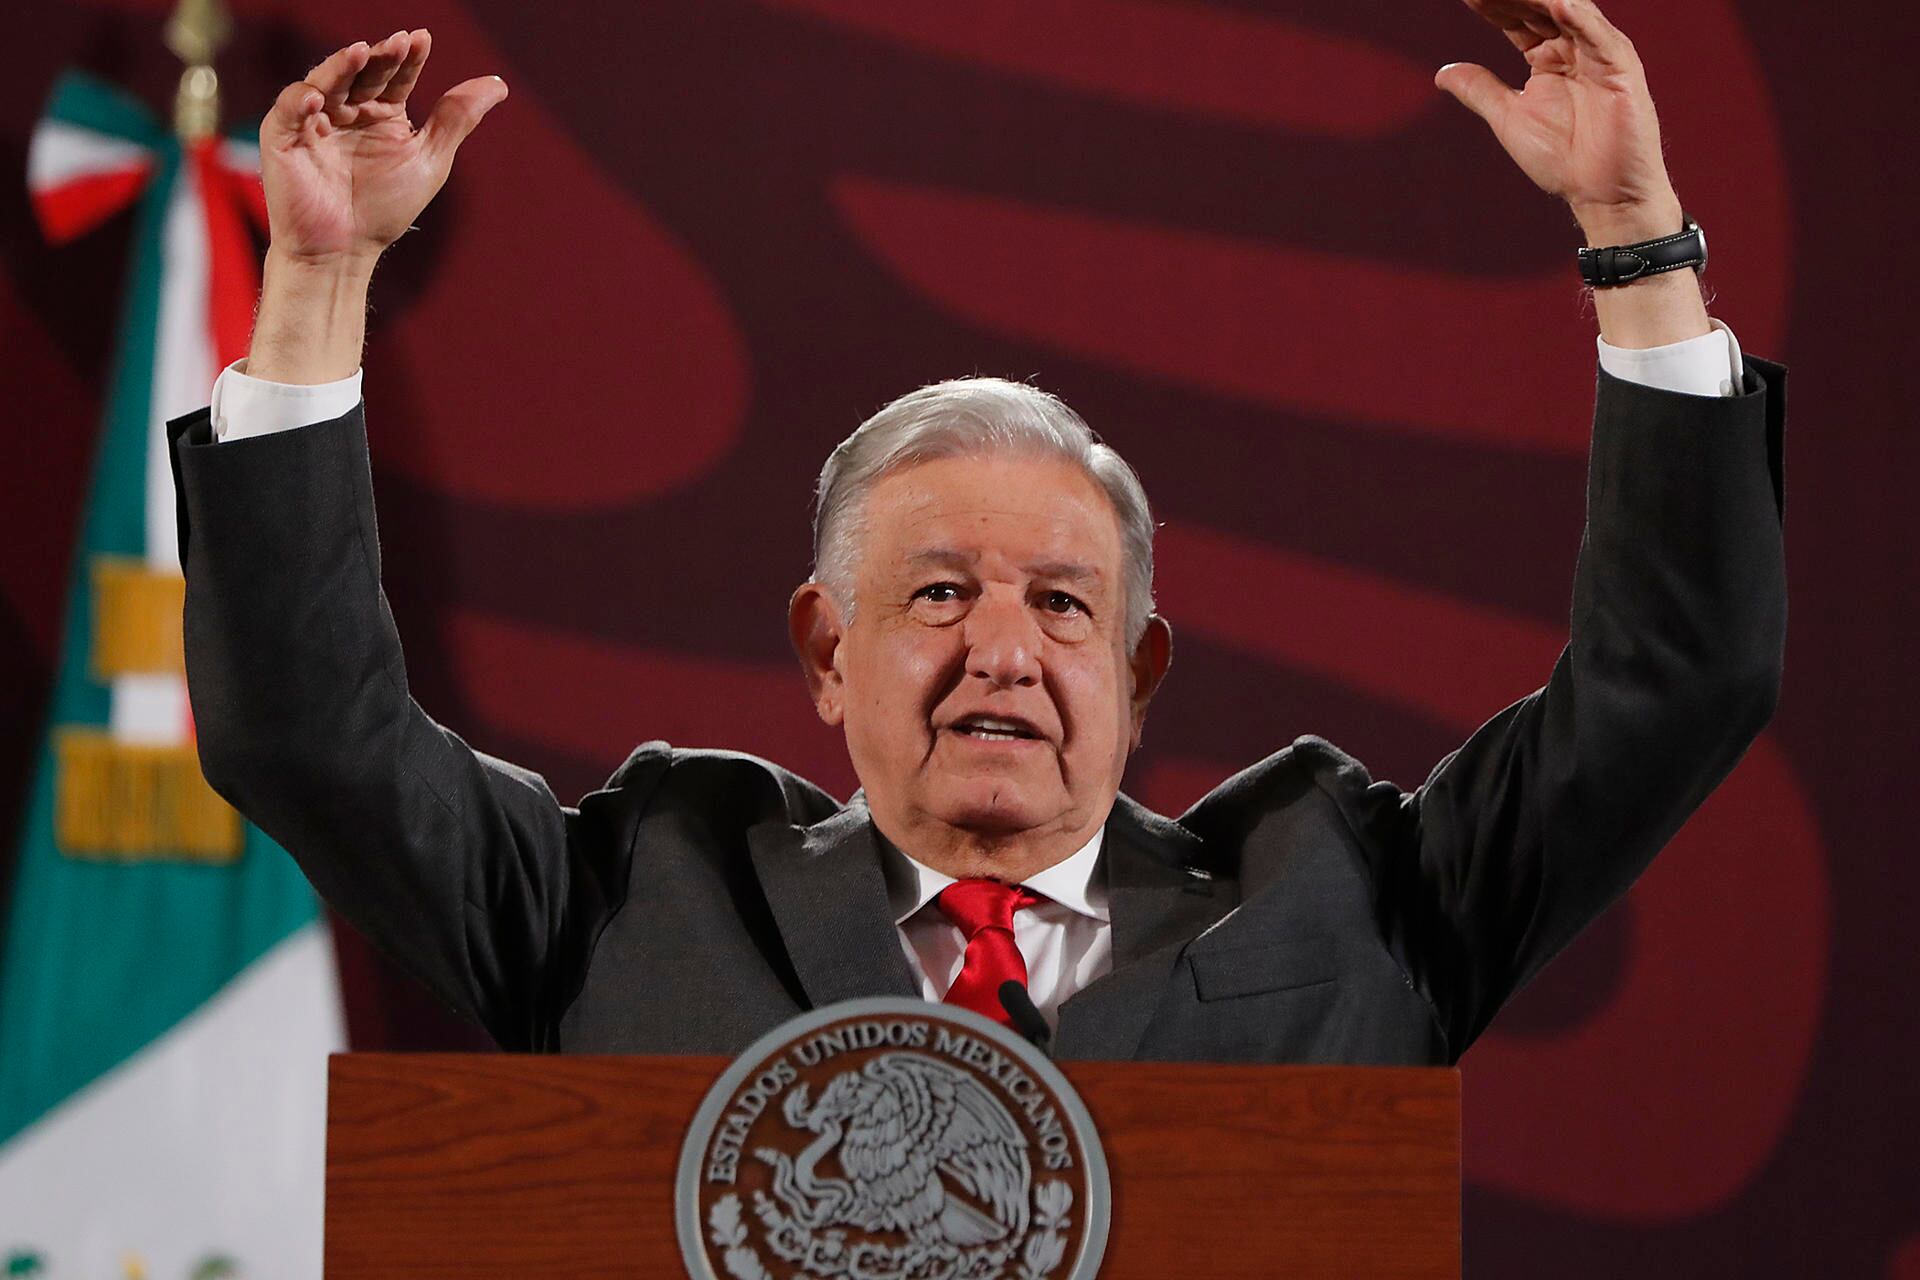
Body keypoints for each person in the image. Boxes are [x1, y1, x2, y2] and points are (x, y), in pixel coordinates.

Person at [171, 0, 1785, 1061]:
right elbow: (307, 735)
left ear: (1142, 667)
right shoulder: (633, 897)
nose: (1001, 649)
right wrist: (315, 287)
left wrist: (1639, 243)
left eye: (1066, 607)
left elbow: (1678, 680)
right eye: (936, 593)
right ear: (825, 648)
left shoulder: (1352, 897)